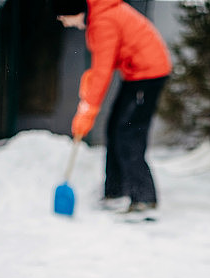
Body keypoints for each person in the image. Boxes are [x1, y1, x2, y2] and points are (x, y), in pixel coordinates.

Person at [53, 0, 172, 214]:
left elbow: (103, 70)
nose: (65, 24)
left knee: (128, 134)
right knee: (114, 128)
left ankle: (144, 198)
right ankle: (115, 191)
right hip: (136, 73)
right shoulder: (100, 15)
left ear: (73, 11)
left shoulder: (103, 21)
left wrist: (88, 109)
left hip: (148, 74)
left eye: (63, 19)